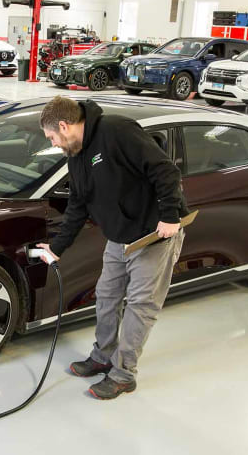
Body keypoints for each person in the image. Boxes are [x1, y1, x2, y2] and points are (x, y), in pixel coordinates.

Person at [36, 96, 188, 400]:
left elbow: (165, 171)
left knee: (140, 307)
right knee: (106, 296)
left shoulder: (117, 131)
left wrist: (170, 215)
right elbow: (78, 204)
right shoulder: (76, 154)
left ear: (64, 126)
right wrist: (57, 248)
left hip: (153, 235)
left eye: (52, 137)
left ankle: (123, 373)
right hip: (119, 238)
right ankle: (102, 356)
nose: (53, 143)